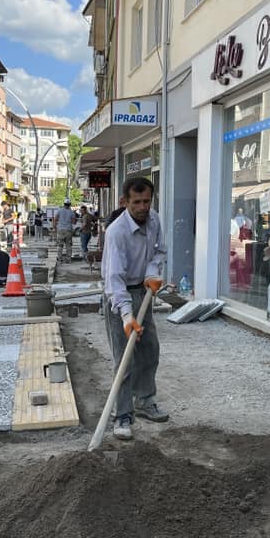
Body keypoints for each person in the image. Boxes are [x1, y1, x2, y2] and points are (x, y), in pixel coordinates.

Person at [101, 176, 168, 441]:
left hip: (144, 290)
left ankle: (145, 400)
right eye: (136, 202)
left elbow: (159, 251)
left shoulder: (155, 220)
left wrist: (152, 274)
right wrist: (127, 316)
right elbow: (114, 280)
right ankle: (123, 415)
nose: (142, 207)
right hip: (119, 297)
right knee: (124, 357)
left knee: (149, 349)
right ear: (125, 202)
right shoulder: (116, 232)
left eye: (146, 201)